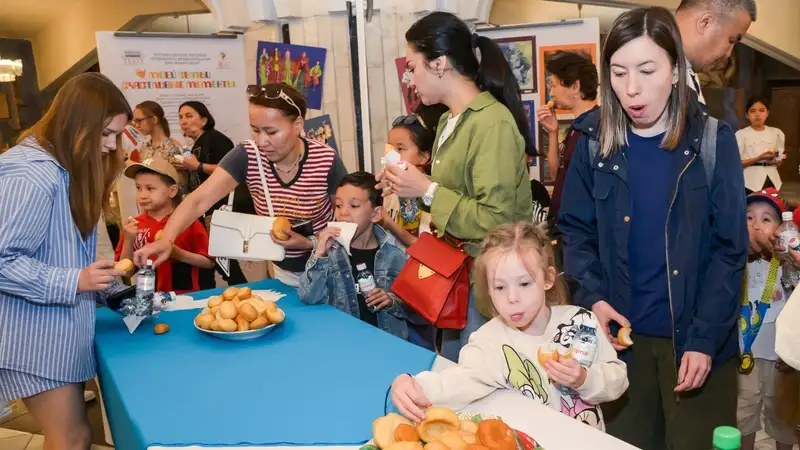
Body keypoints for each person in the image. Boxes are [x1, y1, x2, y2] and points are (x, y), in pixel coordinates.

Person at [559, 7, 748, 450]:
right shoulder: (593, 141)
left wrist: (704, 340)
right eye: (618, 72)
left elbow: (728, 251)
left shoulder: (712, 142)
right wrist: (593, 297)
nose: (632, 89)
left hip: (698, 345)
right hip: (622, 348)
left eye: (647, 69)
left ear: (677, 69)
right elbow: (575, 231)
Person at [377, 12, 534, 362]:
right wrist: (405, 187)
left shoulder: (491, 123)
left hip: (491, 283)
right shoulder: (449, 120)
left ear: (439, 64)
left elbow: (498, 219)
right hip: (456, 278)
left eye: (412, 67)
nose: (410, 78)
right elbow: (451, 198)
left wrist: (427, 190)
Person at [390, 222, 628, 429]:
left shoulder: (582, 322)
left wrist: (583, 378)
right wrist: (414, 384)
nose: (512, 298)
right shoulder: (489, 341)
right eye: (500, 287)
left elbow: (618, 380)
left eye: (524, 283)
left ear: (547, 278)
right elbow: (459, 382)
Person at [0, 72, 130, 450]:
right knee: (71, 437)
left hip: (56, 334)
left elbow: (69, 255)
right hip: (33, 338)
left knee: (74, 435)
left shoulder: (62, 168)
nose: (109, 147)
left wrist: (113, 288)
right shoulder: (31, 173)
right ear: (76, 123)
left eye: (115, 136)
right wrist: (75, 281)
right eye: (104, 134)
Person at [133, 83, 348, 288]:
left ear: (298, 124)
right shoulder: (248, 155)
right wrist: (167, 239)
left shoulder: (326, 159)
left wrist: (309, 243)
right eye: (255, 130)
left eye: (272, 132)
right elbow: (199, 200)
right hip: (282, 272)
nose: (262, 141)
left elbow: (347, 222)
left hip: (328, 269)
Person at [298, 172, 420, 343]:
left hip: (388, 345)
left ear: (375, 214)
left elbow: (417, 310)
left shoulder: (395, 254)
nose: (343, 213)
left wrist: (392, 301)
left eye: (354, 206)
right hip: (343, 343)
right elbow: (308, 297)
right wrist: (319, 255)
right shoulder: (329, 252)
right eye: (339, 206)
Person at [737, 188, 795, 450]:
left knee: (782, 411)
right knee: (743, 411)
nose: (756, 225)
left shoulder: (787, 262)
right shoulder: (736, 259)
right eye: (748, 218)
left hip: (779, 355)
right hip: (744, 351)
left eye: (766, 219)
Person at [174, 100, 251, 287]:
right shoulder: (194, 146)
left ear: (204, 120)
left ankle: (244, 292)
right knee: (217, 260)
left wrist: (197, 166)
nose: (183, 121)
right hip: (205, 210)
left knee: (224, 260)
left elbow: (232, 170)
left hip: (220, 208)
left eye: (189, 115)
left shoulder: (215, 138)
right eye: (180, 117)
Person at [535, 50, 599, 272]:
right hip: (566, 234)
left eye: (554, 84)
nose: (550, 90)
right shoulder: (576, 128)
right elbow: (557, 176)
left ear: (575, 87)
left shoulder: (595, 128)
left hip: (584, 238)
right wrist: (552, 132)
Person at [115, 157, 214, 294]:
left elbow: (209, 262)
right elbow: (126, 272)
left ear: (172, 191)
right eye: (138, 188)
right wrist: (128, 239)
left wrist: (177, 254)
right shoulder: (134, 226)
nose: (142, 195)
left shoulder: (188, 222)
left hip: (185, 299)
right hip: (148, 300)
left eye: (150, 188)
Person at [675, 0, 756, 104]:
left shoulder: (690, 78)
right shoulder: (652, 71)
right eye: (731, 40)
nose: (728, 54)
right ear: (706, 22)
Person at [382, 113, 436, 248]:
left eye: (400, 149)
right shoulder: (390, 192)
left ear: (424, 157)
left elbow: (427, 249)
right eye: (390, 148)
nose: (391, 155)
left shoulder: (431, 196)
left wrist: (388, 223)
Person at [737, 96, 786, 194]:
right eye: (753, 111)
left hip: (773, 180)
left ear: (767, 113)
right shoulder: (741, 134)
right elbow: (736, 163)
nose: (757, 114)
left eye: (762, 110)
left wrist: (777, 159)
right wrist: (758, 158)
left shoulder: (776, 133)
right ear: (747, 115)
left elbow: (778, 158)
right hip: (750, 181)